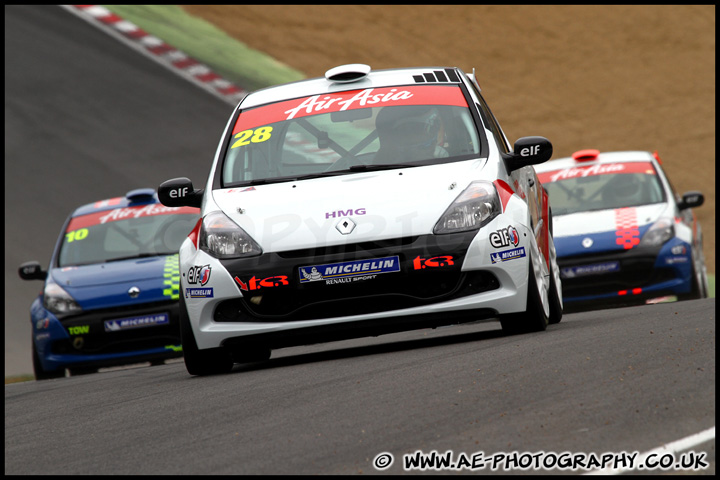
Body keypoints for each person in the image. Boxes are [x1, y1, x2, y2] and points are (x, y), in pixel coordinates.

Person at [374, 105, 448, 164]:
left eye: (417, 129)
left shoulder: (439, 154)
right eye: (405, 130)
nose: (413, 134)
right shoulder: (387, 156)